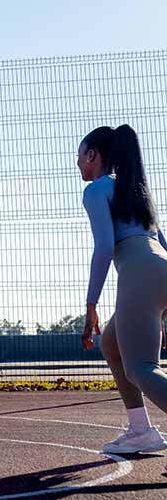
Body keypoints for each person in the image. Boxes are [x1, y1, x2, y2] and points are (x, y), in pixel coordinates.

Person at [78, 126, 167, 457]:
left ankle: (142, 429)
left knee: (141, 367)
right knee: (111, 343)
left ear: (93, 155)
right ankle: (141, 430)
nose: (77, 162)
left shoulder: (97, 190)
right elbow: (163, 246)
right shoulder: (137, 191)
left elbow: (103, 249)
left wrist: (90, 305)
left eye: (80, 154)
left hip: (139, 274)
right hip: (160, 270)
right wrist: (159, 311)